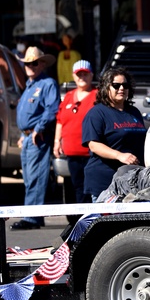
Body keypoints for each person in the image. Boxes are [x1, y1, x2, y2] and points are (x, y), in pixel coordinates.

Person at [11, 47, 61, 230]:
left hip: (37, 137)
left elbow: (52, 109)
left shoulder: (47, 84)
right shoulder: (30, 85)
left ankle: (32, 218)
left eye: (33, 63)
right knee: (28, 178)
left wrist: (37, 129)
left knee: (35, 177)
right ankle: (33, 216)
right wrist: (23, 135)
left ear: (42, 64)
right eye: (27, 63)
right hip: (28, 138)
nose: (29, 66)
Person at [81, 66, 147, 202]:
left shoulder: (134, 112)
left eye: (125, 85)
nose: (121, 89)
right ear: (106, 88)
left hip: (131, 179)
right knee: (107, 222)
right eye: (116, 85)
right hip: (105, 180)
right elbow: (93, 144)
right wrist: (119, 155)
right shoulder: (97, 113)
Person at [53, 59, 97, 211]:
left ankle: (88, 219)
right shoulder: (69, 96)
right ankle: (76, 220)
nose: (82, 78)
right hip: (71, 152)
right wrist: (57, 141)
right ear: (73, 76)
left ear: (91, 76)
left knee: (89, 187)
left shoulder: (97, 96)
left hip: (90, 152)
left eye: (85, 74)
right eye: (79, 74)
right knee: (74, 186)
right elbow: (60, 120)